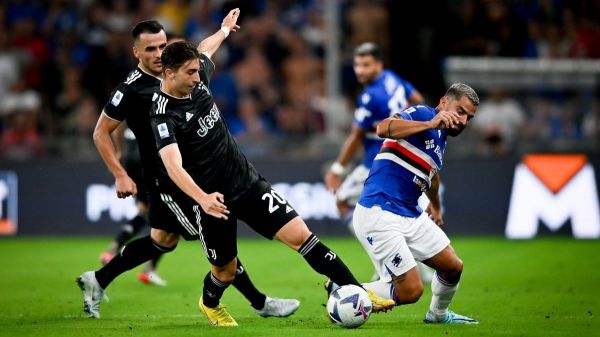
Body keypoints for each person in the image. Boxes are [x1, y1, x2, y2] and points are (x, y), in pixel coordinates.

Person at [149, 41, 396, 327]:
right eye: (190, 73)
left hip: (247, 183)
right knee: (225, 272)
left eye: (197, 71)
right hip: (213, 201)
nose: (197, 77)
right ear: (169, 73)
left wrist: (226, 31)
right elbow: (172, 166)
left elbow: (206, 49)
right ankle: (210, 303)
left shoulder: (197, 76)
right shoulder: (163, 115)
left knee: (302, 235)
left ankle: (358, 291)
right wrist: (203, 199)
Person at [77, 14, 300, 321]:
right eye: (150, 49)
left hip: (191, 173)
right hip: (169, 179)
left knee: (162, 241)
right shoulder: (130, 89)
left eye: (161, 46)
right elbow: (101, 131)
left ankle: (97, 280)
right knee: (216, 235)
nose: (157, 54)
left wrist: (223, 30)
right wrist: (119, 173)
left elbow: (206, 49)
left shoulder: (182, 70)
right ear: (136, 53)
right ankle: (260, 302)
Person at [351, 83, 480, 324]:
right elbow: (383, 127)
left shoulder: (441, 139)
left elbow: (432, 175)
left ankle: (438, 315)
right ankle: (346, 290)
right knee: (411, 291)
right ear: (443, 103)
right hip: (380, 211)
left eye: (469, 118)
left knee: (452, 266)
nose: (463, 121)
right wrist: (430, 124)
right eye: (460, 111)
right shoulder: (423, 114)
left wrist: (436, 205)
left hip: (410, 212)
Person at [323, 42, 434, 282]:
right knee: (398, 212)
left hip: (376, 161)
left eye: (366, 65)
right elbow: (418, 100)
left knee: (342, 200)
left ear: (378, 65)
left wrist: (337, 169)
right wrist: (407, 124)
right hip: (399, 159)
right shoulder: (392, 79)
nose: (360, 71)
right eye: (357, 65)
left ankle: (386, 260)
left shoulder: (370, 96)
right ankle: (419, 269)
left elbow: (356, 135)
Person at [98, 123, 167, 286]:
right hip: (149, 159)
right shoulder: (160, 98)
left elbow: (116, 122)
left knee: (144, 210)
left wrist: (120, 150)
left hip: (131, 158)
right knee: (169, 216)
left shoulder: (127, 99)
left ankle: (113, 248)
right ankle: (149, 269)